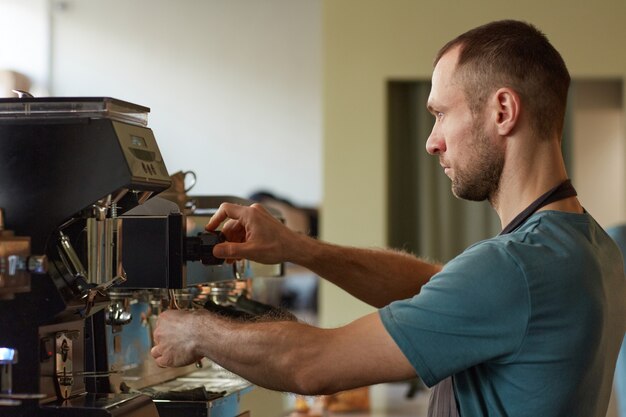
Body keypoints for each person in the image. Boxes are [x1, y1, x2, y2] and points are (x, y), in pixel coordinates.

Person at [151, 20, 626, 417]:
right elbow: (437, 288)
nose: (431, 141)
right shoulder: (592, 247)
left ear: (502, 110)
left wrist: (194, 329)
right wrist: (297, 247)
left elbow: (309, 364)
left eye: (440, 114)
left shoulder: (514, 268)